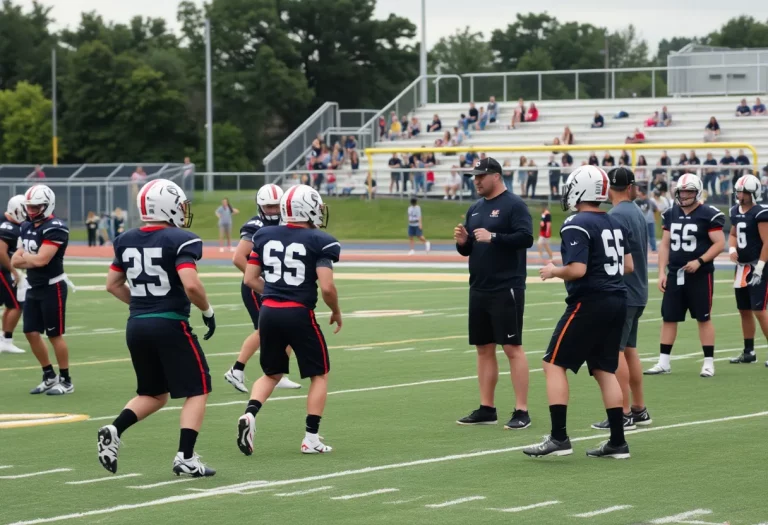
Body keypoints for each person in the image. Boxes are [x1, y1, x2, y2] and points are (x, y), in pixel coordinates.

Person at [99, 179, 217, 477]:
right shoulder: (180, 239)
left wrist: (142, 306)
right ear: (166, 206)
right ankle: (186, 458)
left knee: (154, 393)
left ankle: (114, 429)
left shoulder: (126, 239)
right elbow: (191, 284)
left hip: (136, 325)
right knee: (198, 388)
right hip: (169, 323)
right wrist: (207, 310)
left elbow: (112, 285)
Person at [524, 165, 633, 459]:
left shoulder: (577, 222)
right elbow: (629, 266)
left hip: (590, 301)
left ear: (580, 189)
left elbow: (578, 269)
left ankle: (559, 438)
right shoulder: (615, 222)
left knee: (552, 364)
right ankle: (617, 442)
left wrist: (553, 271)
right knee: (603, 369)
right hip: (617, 299)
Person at [236, 185, 341, 455]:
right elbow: (327, 287)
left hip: (269, 311)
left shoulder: (264, 235)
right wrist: (336, 310)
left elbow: (249, 278)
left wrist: (273, 293)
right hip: (298, 313)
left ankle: (250, 414)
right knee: (319, 375)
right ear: (308, 209)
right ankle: (311, 438)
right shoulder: (321, 240)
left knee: (271, 373)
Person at [454, 157, 533, 430]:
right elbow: (471, 249)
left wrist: (495, 237)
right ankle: (487, 407)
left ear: (496, 176)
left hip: (506, 286)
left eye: (481, 176)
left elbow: (526, 238)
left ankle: (522, 410)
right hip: (479, 287)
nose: (475, 180)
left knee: (512, 348)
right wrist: (463, 243)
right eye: (474, 176)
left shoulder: (514, 205)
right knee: (483, 348)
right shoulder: (475, 209)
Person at [645, 174, 725, 377]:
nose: (685, 195)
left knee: (703, 318)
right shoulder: (670, 213)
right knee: (669, 317)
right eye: (682, 191)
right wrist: (661, 271)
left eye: (689, 191)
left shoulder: (709, 213)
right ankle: (663, 362)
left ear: (697, 192)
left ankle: (708, 362)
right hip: (675, 273)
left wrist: (700, 261)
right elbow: (665, 244)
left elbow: (719, 243)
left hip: (700, 275)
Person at [590, 167, 652, 431]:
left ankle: (624, 412)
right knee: (630, 350)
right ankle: (638, 408)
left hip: (622, 291)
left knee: (615, 353)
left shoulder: (614, 216)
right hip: (638, 290)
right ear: (629, 187)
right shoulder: (637, 212)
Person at [225, 184, 301, 392]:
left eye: (277, 206)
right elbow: (238, 257)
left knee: (289, 328)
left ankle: (277, 373)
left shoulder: (287, 221)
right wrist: (258, 279)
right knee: (264, 330)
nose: (274, 211)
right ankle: (236, 370)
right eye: (269, 207)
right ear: (260, 206)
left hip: (277, 283)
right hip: (255, 285)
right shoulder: (255, 225)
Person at [11, 185, 73, 394]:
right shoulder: (27, 226)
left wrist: (28, 259)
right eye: (30, 206)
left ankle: (66, 380)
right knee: (30, 331)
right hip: (34, 285)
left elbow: (42, 259)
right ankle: (48, 375)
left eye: (37, 206)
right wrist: (31, 260)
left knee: (55, 335)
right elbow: (16, 261)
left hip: (52, 286)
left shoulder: (55, 227)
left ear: (47, 205)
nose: (32, 210)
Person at [727, 175, 768, 366]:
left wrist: (760, 267)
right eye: (739, 191)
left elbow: (767, 241)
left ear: (753, 193)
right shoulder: (735, 210)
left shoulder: (760, 213)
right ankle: (748, 351)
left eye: (743, 192)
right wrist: (732, 248)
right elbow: (733, 233)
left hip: (757, 266)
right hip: (741, 267)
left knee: (759, 310)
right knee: (744, 310)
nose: (740, 194)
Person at [0, 195, 27, 354]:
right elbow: (1, 252)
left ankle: (5, 339)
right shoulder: (7, 227)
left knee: (11, 304)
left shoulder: (12, 225)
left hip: (4, 269)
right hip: (3, 270)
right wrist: (13, 270)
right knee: (16, 305)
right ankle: (6, 340)